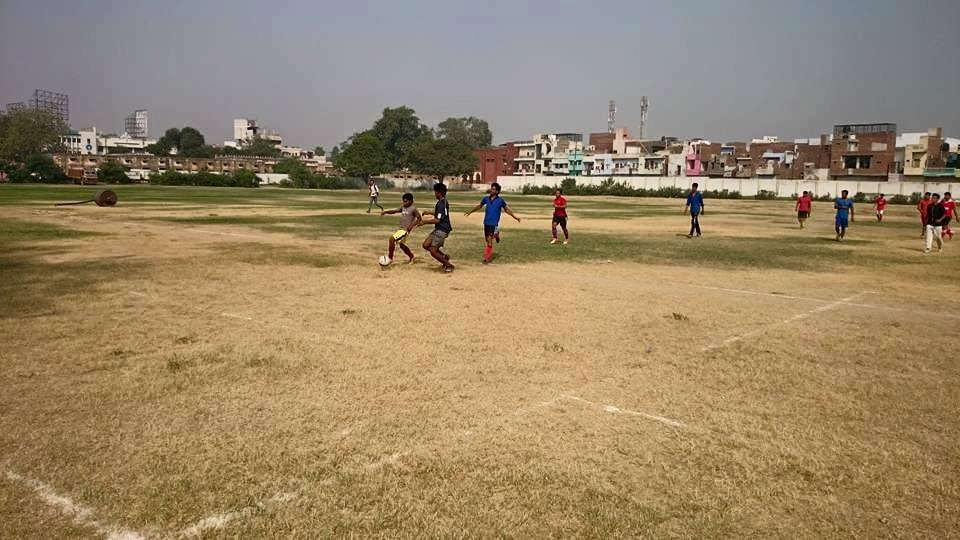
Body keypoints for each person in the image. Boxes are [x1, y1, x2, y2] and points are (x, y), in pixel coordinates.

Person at [464, 182, 521, 264]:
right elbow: (479, 206)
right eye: (491, 188)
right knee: (487, 240)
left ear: (497, 191)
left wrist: (515, 217)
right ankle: (496, 235)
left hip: (493, 223)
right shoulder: (486, 199)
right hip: (486, 222)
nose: (492, 190)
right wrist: (470, 211)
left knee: (490, 242)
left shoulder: (500, 201)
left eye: (494, 189)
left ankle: (487, 258)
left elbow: (507, 209)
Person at [420, 183, 455, 272]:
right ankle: (444, 257)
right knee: (426, 245)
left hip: (443, 229)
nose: (434, 194)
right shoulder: (442, 202)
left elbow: (437, 220)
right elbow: (441, 215)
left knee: (433, 251)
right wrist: (429, 212)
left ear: (439, 193)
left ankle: (448, 265)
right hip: (439, 228)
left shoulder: (441, 204)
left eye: (435, 192)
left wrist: (424, 222)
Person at [379, 192, 421, 265]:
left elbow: (419, 219)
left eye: (406, 201)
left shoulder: (413, 209)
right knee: (402, 245)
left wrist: (411, 226)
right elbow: (395, 211)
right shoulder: (403, 207)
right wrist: (386, 212)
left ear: (411, 201)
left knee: (392, 239)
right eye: (403, 201)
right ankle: (412, 257)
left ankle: (390, 258)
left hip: (405, 230)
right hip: (400, 229)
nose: (404, 203)